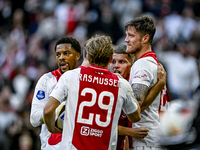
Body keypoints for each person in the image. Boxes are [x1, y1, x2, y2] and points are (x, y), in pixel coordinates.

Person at [43, 35, 141, 150]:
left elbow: (48, 110)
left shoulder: (70, 76)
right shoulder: (121, 84)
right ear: (110, 59)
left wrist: (52, 129)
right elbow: (135, 117)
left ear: (88, 56)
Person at [124, 16, 170, 150]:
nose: (126, 40)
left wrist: (158, 87)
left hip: (145, 140)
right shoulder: (154, 62)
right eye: (126, 35)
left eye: (131, 36)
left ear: (145, 38)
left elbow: (135, 109)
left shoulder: (142, 64)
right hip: (155, 136)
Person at [110, 44, 167, 150]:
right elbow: (100, 124)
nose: (116, 66)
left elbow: (137, 109)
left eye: (122, 62)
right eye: (113, 62)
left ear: (132, 65)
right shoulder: (107, 88)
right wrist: (129, 132)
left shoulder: (137, 86)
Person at [30, 36, 81, 150]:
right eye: (58, 54)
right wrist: (59, 112)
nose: (61, 58)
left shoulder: (85, 80)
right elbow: (34, 119)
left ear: (77, 55)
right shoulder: (47, 80)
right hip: (52, 146)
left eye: (66, 53)